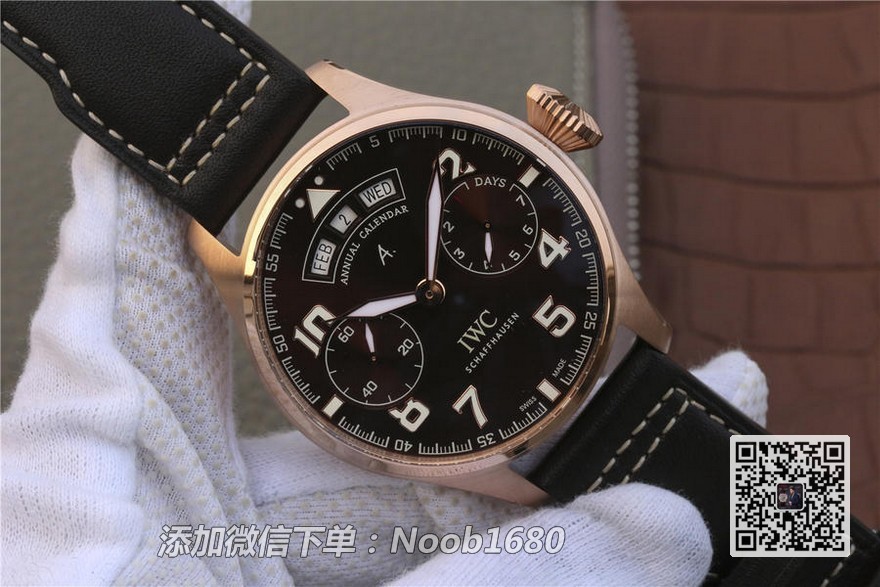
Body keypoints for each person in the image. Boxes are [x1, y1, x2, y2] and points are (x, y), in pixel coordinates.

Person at [0, 3, 770, 584]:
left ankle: (823, 529)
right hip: (511, 425)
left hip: (594, 375)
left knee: (798, 511)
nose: (432, 289)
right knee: (771, 511)